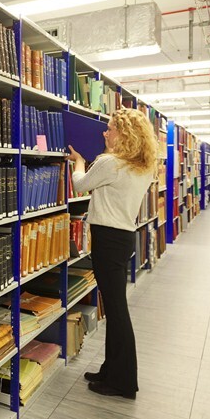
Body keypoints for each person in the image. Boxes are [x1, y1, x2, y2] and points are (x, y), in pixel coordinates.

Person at [67, 108, 157, 399]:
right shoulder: (143, 166)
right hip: (124, 238)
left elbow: (80, 185)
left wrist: (80, 162)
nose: (105, 133)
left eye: (111, 129)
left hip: (108, 239)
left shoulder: (109, 162)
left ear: (125, 134)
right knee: (116, 308)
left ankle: (123, 382)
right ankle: (111, 369)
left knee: (117, 312)